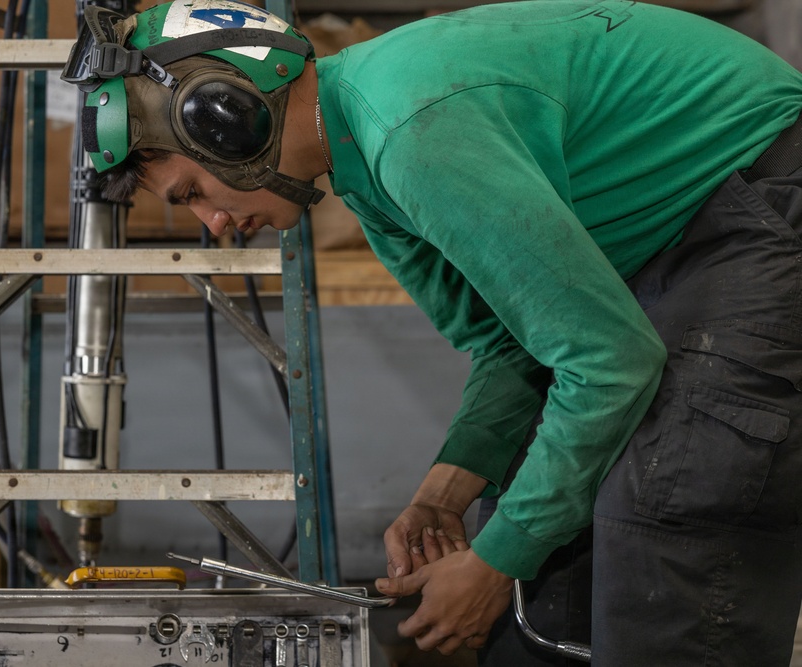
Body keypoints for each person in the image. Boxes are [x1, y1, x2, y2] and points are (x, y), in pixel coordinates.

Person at [61, 0, 802, 664]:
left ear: (224, 120)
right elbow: (513, 339)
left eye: (193, 192)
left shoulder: (411, 130)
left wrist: (493, 566)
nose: (214, 225)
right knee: (527, 511)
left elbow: (608, 362)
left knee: (665, 505)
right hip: (677, 238)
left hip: (762, 199)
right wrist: (445, 492)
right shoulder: (361, 162)